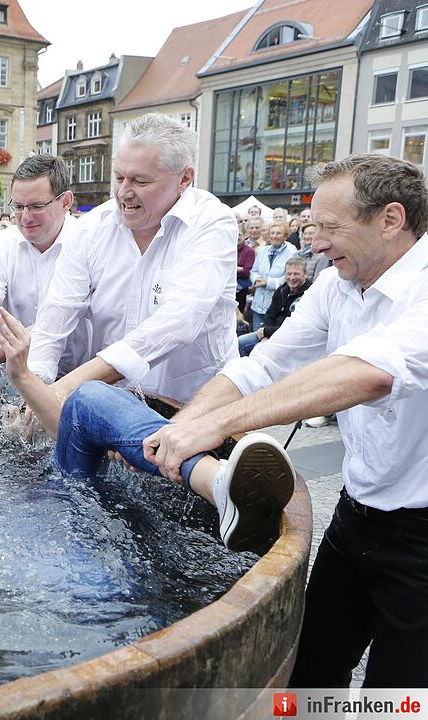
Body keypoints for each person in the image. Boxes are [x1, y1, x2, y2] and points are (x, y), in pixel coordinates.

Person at [120, 154, 428, 689]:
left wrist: (215, 428)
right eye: (312, 227)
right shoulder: (337, 285)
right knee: (306, 674)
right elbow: (262, 364)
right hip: (357, 514)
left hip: (423, 533)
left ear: (390, 219)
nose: (315, 243)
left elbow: (368, 375)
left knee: (398, 698)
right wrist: (180, 427)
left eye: (330, 227)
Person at [0, 306, 295, 553]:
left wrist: (24, 377)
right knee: (89, 398)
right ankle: (214, 480)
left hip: (79, 507)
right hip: (51, 519)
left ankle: (217, 482)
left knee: (89, 398)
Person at [27, 112, 239, 405]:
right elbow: (56, 315)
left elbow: (178, 322)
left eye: (140, 181)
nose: (124, 192)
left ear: (184, 179)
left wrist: (73, 383)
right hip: (112, 405)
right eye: (118, 177)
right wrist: (37, 385)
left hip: (195, 403)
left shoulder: (211, 222)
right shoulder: (91, 229)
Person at [0, 155, 85, 376]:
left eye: (37, 206)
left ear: (65, 202)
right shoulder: (0, 244)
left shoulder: (88, 242)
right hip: (16, 375)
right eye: (18, 206)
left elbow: (62, 314)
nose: (26, 217)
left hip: (79, 374)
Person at [237, 256, 310, 357]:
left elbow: (294, 327)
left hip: (290, 339)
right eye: (289, 274)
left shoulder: (309, 294)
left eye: (296, 274)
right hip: (271, 332)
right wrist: (265, 333)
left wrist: (266, 332)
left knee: (258, 351)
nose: (292, 278)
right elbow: (270, 314)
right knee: (240, 342)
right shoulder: (282, 289)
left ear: (305, 274)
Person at [247, 221, 296, 331]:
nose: (274, 236)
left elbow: (291, 277)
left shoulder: (292, 252)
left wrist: (269, 283)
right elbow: (253, 271)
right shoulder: (262, 251)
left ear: (285, 236)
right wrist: (256, 280)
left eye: (278, 233)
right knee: (256, 337)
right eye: (272, 233)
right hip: (258, 304)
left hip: (277, 305)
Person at [236, 226, 257, 313]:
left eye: (239, 234)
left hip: (241, 288)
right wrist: (239, 269)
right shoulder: (228, 250)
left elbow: (247, 271)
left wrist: (233, 268)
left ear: (244, 235)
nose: (237, 237)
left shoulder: (249, 251)